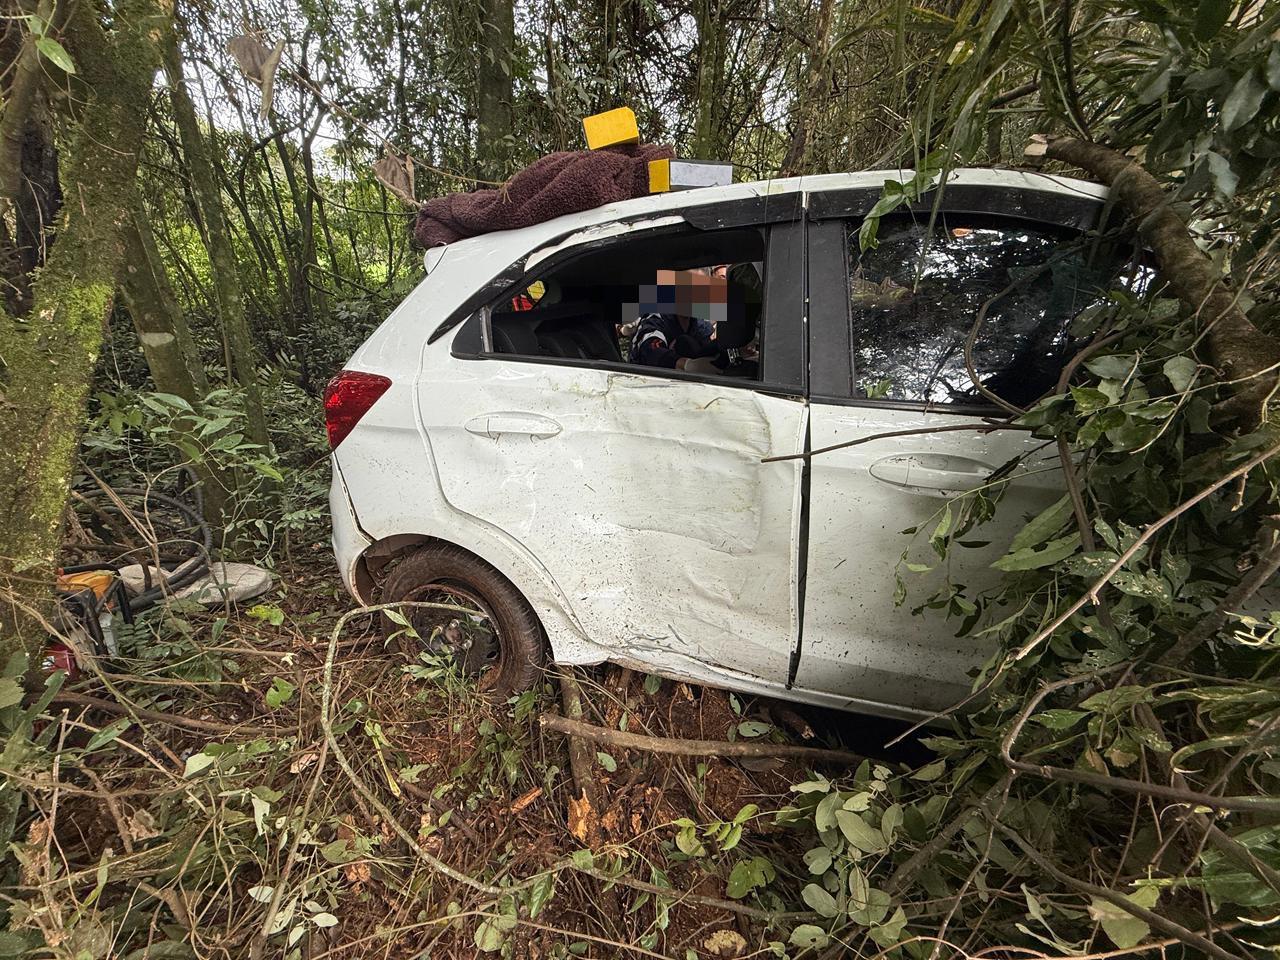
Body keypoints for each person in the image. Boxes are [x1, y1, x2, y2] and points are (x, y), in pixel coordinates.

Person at [628, 268, 727, 371]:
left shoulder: (700, 325)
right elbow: (651, 349)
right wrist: (685, 364)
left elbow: (710, 348)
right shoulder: (656, 318)